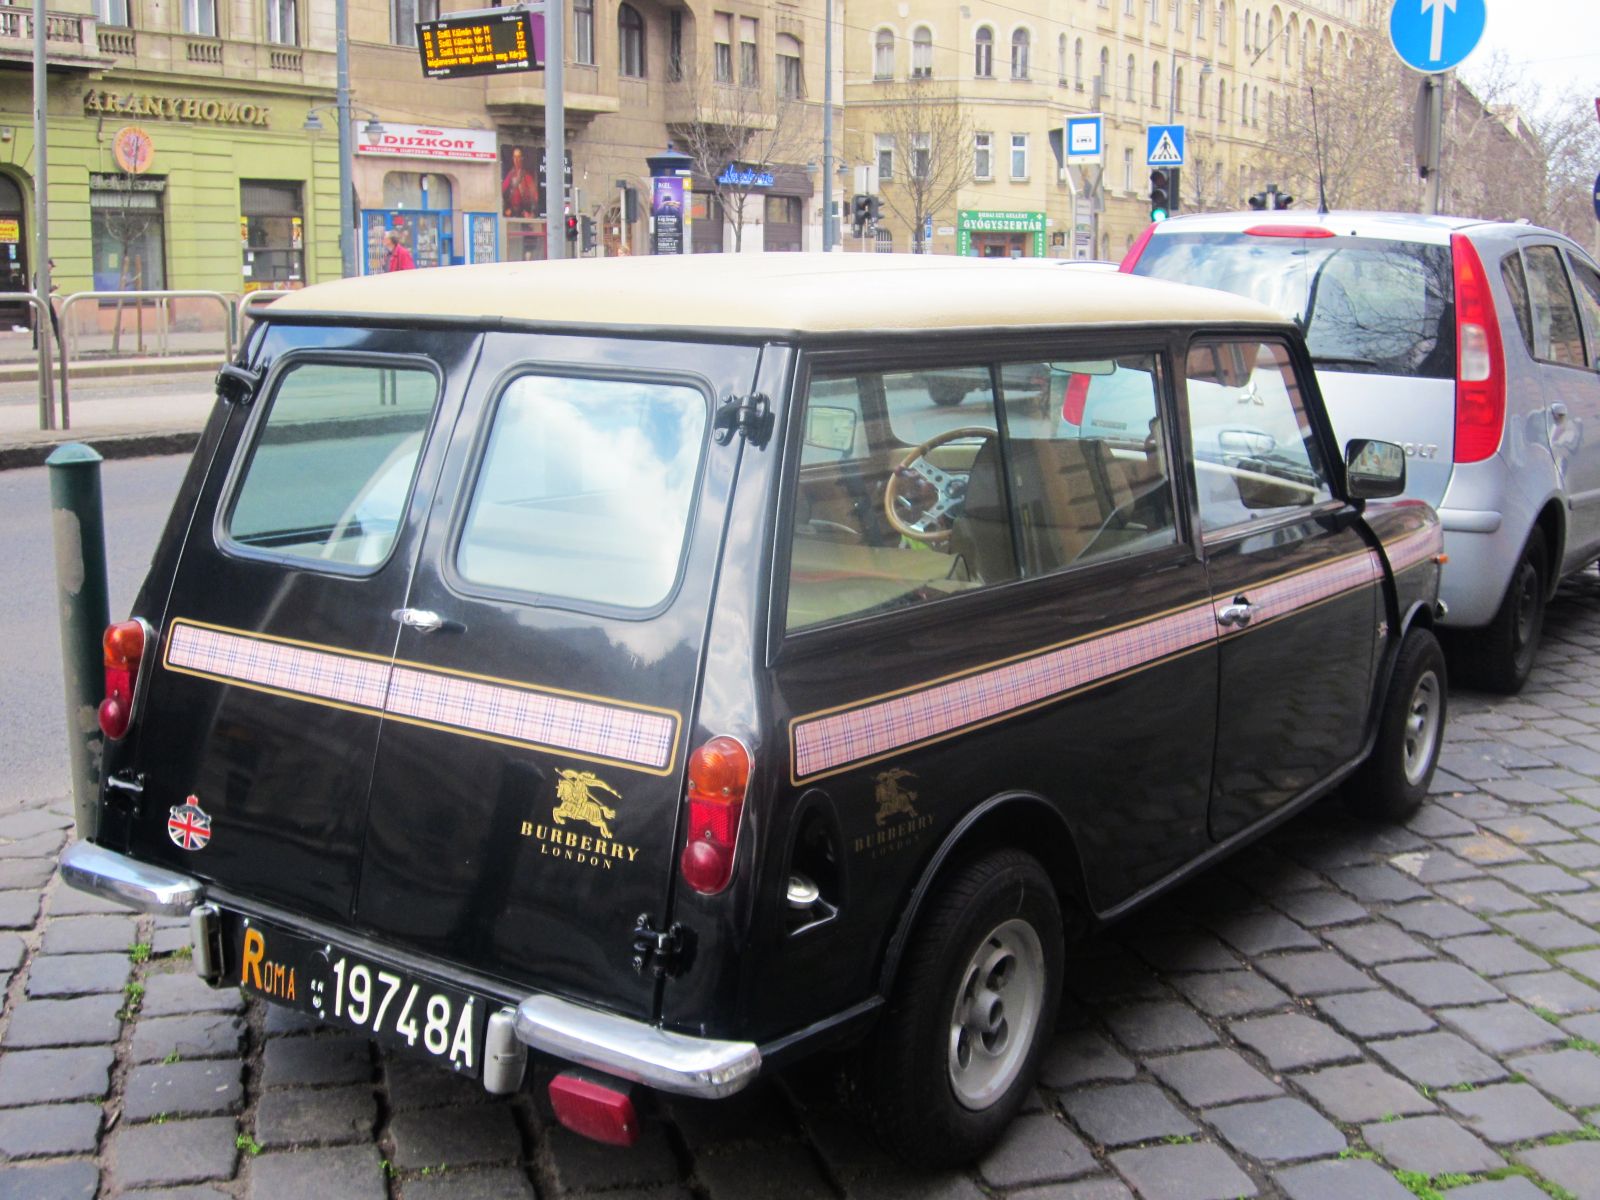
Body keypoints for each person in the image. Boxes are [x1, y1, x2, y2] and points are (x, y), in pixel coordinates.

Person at [501, 147, 538, 218]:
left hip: (524, 212)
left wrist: (532, 213)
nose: (516, 160)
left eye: (518, 157)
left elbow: (535, 197)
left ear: (522, 158)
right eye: (515, 157)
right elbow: (501, 190)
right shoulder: (511, 174)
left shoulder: (527, 176)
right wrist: (506, 209)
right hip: (512, 212)